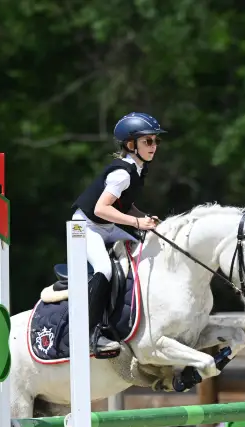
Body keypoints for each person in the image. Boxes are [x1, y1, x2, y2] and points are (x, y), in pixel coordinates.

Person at [71, 112, 165, 353]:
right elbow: (101, 208)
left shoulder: (138, 169)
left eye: (155, 141)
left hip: (104, 226)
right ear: (131, 144)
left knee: (144, 252)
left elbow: (122, 204)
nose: (154, 146)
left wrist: (142, 218)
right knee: (104, 268)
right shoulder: (122, 173)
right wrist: (136, 222)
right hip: (84, 227)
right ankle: (91, 334)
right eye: (148, 141)